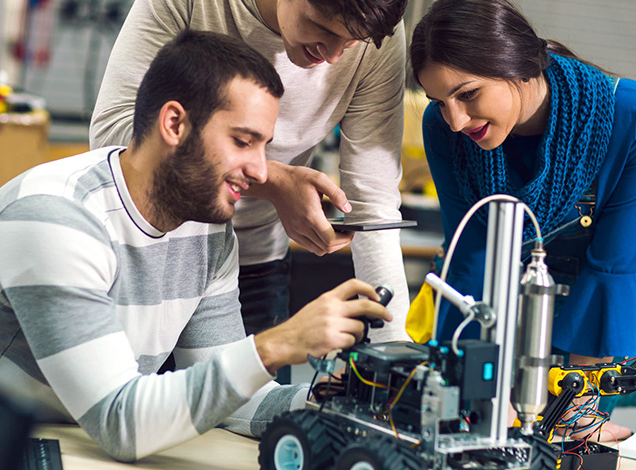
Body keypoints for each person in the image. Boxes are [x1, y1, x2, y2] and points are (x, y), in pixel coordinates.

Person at [0, 30, 392, 462]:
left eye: (265, 145)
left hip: (80, 445)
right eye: (243, 142)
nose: (262, 172)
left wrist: (337, 398)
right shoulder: (57, 217)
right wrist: (280, 342)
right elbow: (122, 422)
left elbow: (235, 398)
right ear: (174, 124)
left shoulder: (206, 228)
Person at [89, 0, 414, 381]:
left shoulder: (377, 29)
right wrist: (274, 182)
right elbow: (116, 135)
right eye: (323, 29)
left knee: (244, 426)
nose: (333, 57)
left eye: (352, 42)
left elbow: (373, 202)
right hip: (146, 256)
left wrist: (394, 355)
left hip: (252, 267)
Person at [409, 0, 636, 440]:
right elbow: (469, 253)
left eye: (468, 94)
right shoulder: (443, 128)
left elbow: (611, 269)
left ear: (519, 65)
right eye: (439, 101)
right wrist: (461, 385)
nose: (455, 120)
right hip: (486, 319)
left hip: (585, 342)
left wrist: (575, 407)